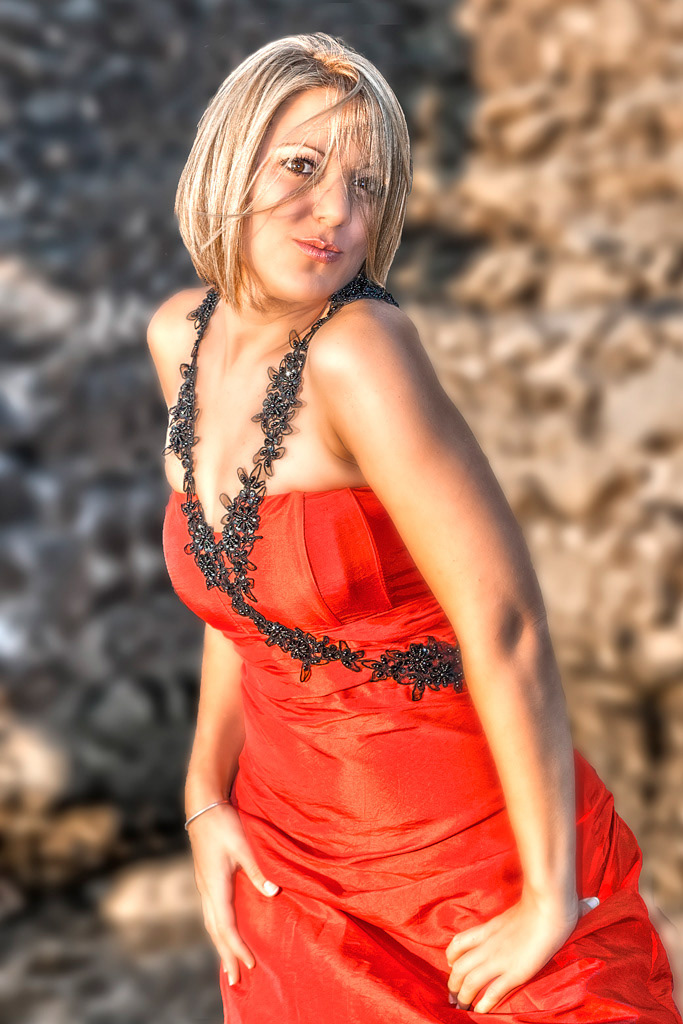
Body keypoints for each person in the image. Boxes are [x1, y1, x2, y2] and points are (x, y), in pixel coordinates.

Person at [146, 31, 681, 1024]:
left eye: (366, 186)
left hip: (460, 857)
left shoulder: (359, 351)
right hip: (290, 865)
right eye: (300, 167)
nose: (336, 214)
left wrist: (546, 899)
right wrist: (204, 796)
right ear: (228, 160)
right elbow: (239, 605)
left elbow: (506, 625)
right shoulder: (179, 336)